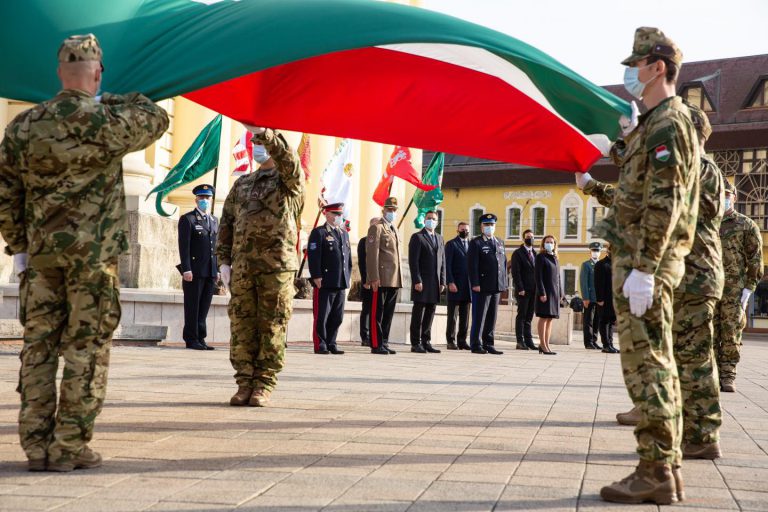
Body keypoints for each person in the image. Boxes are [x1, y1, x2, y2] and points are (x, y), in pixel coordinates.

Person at [0, 34, 169, 472]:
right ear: (97, 73)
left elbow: (5, 193)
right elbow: (156, 117)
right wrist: (110, 97)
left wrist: (20, 246)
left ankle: (36, 446)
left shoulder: (25, 125)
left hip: (41, 259)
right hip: (93, 261)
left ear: (59, 72)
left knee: (38, 347)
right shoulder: (107, 121)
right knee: (86, 349)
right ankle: (69, 446)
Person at [578, 27, 700, 504]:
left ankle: (656, 470)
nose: (632, 74)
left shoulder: (670, 124)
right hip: (635, 260)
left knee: (649, 368)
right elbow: (637, 190)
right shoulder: (654, 125)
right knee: (650, 366)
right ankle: (664, 468)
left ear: (658, 67)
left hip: (645, 265)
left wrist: (646, 268)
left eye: (637, 65)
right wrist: (625, 140)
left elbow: (665, 203)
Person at [218, 126, 304, 407]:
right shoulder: (242, 183)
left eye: (261, 142)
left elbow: (290, 161)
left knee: (272, 325)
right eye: (254, 141)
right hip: (243, 268)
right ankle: (244, 383)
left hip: (276, 268)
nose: (257, 146)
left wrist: (266, 134)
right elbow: (226, 223)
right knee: (242, 325)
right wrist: (223, 261)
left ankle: (264, 384)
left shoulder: (287, 180)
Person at [714, 182, 763, 392]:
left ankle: (728, 375)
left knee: (731, 333)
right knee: (708, 333)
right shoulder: (706, 222)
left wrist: (749, 288)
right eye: (720, 194)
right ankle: (711, 374)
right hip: (708, 288)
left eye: (727, 195)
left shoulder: (746, 224)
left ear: (735, 197)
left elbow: (755, 258)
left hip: (734, 290)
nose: (724, 198)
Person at [178, 184, 219, 351]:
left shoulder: (214, 220)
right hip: (194, 271)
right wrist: (186, 269)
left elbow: (216, 247)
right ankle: (191, 339)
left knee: (204, 307)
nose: (204, 200)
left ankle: (201, 338)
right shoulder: (188, 219)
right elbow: (184, 247)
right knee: (192, 307)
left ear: (211, 199)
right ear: (196, 199)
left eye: (207, 197)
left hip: (210, 271)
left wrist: (217, 269)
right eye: (201, 197)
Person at [308, 202, 352, 355]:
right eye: (335, 214)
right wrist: (316, 275)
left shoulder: (343, 233)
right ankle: (320, 343)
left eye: (340, 214)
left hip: (340, 281)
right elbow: (314, 256)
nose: (339, 217)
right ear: (327, 214)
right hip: (325, 281)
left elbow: (347, 259)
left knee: (337, 316)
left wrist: (347, 276)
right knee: (322, 315)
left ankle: (331, 342)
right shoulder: (319, 233)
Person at [366, 197, 402, 355]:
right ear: (383, 211)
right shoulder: (377, 228)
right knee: (377, 313)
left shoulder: (394, 229)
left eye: (394, 210)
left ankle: (384, 341)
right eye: (389, 210)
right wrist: (373, 277)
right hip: (381, 278)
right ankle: (376, 343)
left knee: (388, 313)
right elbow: (372, 254)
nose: (392, 212)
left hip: (393, 278)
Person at [467, 213, 507, 355]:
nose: (489, 227)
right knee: (479, 316)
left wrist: (503, 283)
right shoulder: (476, 243)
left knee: (492, 316)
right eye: (487, 224)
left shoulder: (499, 242)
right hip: (482, 286)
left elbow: (503, 264)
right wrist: (475, 283)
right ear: (481, 227)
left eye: (492, 224)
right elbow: (472, 265)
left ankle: (488, 343)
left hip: (496, 285)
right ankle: (476, 344)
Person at [408, 211, 446, 353]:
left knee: (430, 312)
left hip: (435, 283)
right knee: (418, 313)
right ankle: (415, 343)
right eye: (429, 218)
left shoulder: (440, 238)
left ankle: (426, 341)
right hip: (422, 282)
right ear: (424, 220)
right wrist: (417, 280)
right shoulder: (417, 237)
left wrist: (443, 281)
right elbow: (413, 261)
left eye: (434, 219)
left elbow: (443, 262)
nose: (431, 221)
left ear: (438, 221)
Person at [445, 222, 472, 350]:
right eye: (462, 229)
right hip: (455, 285)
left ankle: (462, 340)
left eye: (466, 230)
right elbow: (447, 265)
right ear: (457, 230)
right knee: (453, 316)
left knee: (465, 316)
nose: (464, 231)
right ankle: (450, 340)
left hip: (468, 287)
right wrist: (450, 281)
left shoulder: (472, 245)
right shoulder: (451, 244)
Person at [510, 229, 538, 350]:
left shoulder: (535, 253)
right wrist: (520, 288)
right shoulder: (518, 253)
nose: (530, 239)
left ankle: (528, 340)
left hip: (534, 290)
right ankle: (520, 341)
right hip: (523, 290)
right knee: (521, 315)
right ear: (523, 238)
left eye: (532, 237)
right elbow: (516, 272)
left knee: (529, 316)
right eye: (527, 237)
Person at [534, 236, 562, 355]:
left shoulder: (555, 258)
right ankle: (542, 344)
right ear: (543, 244)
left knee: (550, 319)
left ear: (555, 244)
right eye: (547, 242)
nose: (549, 244)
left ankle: (546, 344)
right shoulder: (540, 257)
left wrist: (561, 293)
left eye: (551, 242)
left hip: (554, 293)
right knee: (543, 317)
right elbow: (538, 276)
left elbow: (558, 277)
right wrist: (542, 292)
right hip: (545, 293)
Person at [357, 218, 379, 347]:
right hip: (368, 282)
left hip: (379, 281)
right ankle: (365, 336)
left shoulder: (381, 241)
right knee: (366, 309)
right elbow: (362, 262)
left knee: (376, 310)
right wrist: (366, 279)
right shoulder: (364, 241)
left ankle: (374, 335)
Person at [594, 243, 618, 353]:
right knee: (604, 321)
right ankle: (606, 345)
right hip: (604, 299)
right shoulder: (601, 264)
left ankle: (610, 344)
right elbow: (598, 283)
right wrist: (599, 299)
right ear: (608, 250)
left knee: (611, 321)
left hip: (614, 298)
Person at [579, 242, 603, 350]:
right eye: (594, 250)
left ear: (600, 252)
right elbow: (584, 282)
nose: (595, 252)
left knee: (597, 320)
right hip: (590, 298)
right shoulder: (586, 265)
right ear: (590, 252)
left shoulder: (601, 265)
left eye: (597, 251)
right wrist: (585, 297)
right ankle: (588, 342)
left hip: (599, 298)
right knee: (588, 321)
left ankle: (594, 340)